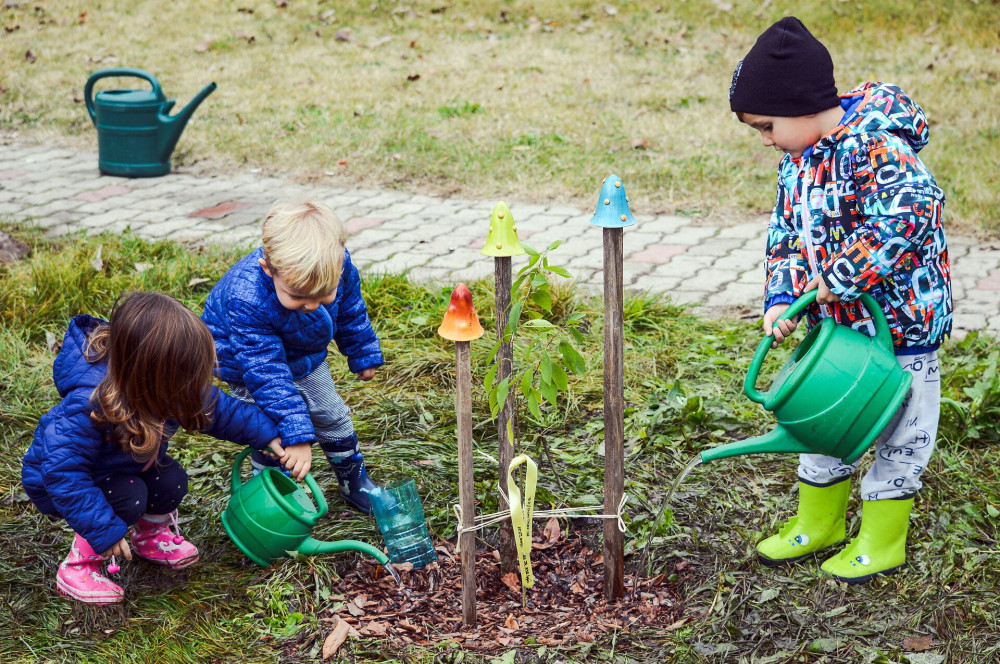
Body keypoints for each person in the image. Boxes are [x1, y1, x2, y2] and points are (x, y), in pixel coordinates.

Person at [729, 16, 952, 584]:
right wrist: (782, 296)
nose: (764, 139)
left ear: (800, 108)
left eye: (765, 125)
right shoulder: (798, 158)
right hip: (837, 330)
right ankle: (820, 523)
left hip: (902, 328)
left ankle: (882, 539)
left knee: (900, 431)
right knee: (824, 418)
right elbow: (785, 233)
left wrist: (843, 273)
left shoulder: (875, 145)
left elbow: (913, 213)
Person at [21, 292, 303, 605]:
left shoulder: (167, 384)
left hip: (124, 468)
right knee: (129, 497)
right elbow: (63, 472)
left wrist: (267, 435)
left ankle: (149, 537)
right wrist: (105, 530)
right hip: (61, 483)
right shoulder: (88, 405)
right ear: (150, 373)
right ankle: (79, 565)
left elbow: (219, 410)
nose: (192, 386)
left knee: (172, 481)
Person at [202, 199, 384, 514]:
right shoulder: (246, 300)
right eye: (298, 296)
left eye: (323, 295)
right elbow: (266, 372)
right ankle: (273, 493)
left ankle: (353, 480)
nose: (313, 305)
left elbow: (350, 309)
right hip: (247, 364)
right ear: (268, 270)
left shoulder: (336, 265)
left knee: (331, 414)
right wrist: (297, 436)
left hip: (304, 353)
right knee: (271, 429)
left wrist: (361, 350)